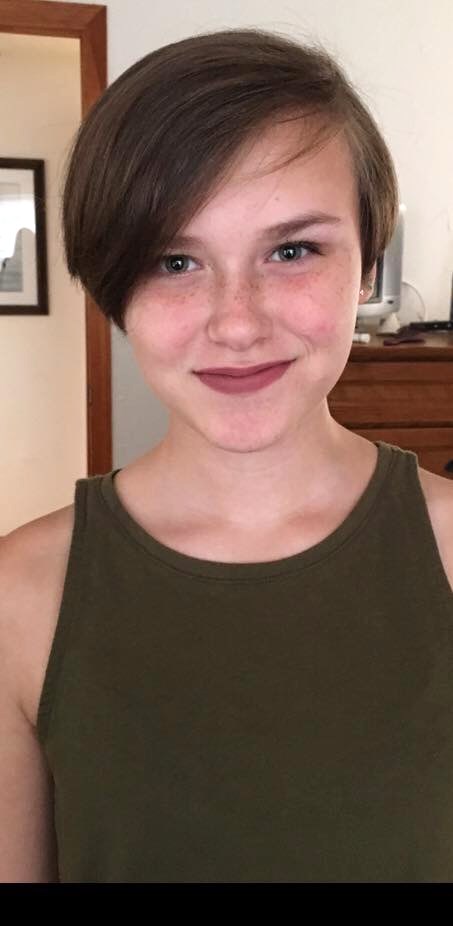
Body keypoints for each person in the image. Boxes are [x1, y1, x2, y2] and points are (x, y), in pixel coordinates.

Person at [1, 27, 453, 884]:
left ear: (366, 262)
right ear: (113, 285)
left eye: (291, 250)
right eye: (174, 260)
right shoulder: (19, 596)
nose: (236, 322)